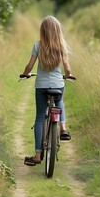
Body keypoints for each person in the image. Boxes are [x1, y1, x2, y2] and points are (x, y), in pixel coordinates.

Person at [21, 15, 73, 165]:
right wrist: (68, 76)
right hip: (58, 84)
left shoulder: (38, 46)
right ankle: (63, 128)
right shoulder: (62, 45)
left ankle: (37, 155)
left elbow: (30, 66)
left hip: (41, 86)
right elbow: (68, 69)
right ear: (58, 30)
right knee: (59, 100)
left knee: (39, 118)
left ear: (42, 31)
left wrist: (25, 74)